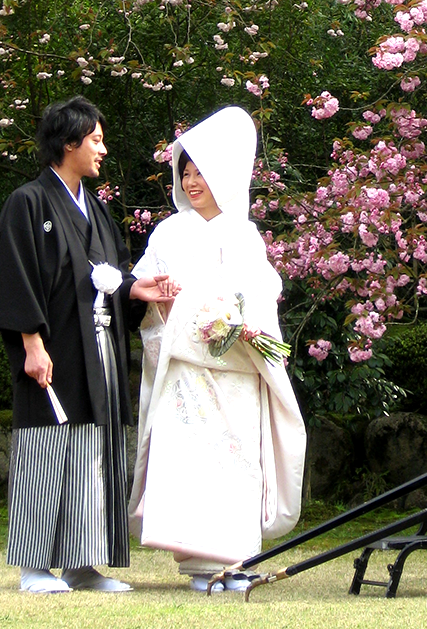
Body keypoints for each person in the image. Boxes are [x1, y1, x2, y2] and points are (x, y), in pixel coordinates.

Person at [0, 96, 178, 594]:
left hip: (102, 351)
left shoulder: (96, 209)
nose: (102, 149)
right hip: (55, 346)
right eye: (95, 140)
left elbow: (106, 276)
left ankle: (83, 564)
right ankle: (34, 565)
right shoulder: (28, 202)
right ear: (68, 143)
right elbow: (17, 275)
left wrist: (138, 288)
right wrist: (31, 343)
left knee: (96, 449)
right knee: (46, 446)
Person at [127, 107, 306, 593]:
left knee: (236, 460)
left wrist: (238, 325)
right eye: (184, 171)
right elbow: (146, 289)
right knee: (190, 460)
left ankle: (237, 559)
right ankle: (198, 564)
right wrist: (167, 302)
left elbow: (262, 296)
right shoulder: (168, 232)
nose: (190, 180)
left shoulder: (243, 234)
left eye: (201, 171)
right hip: (184, 365)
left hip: (234, 369)